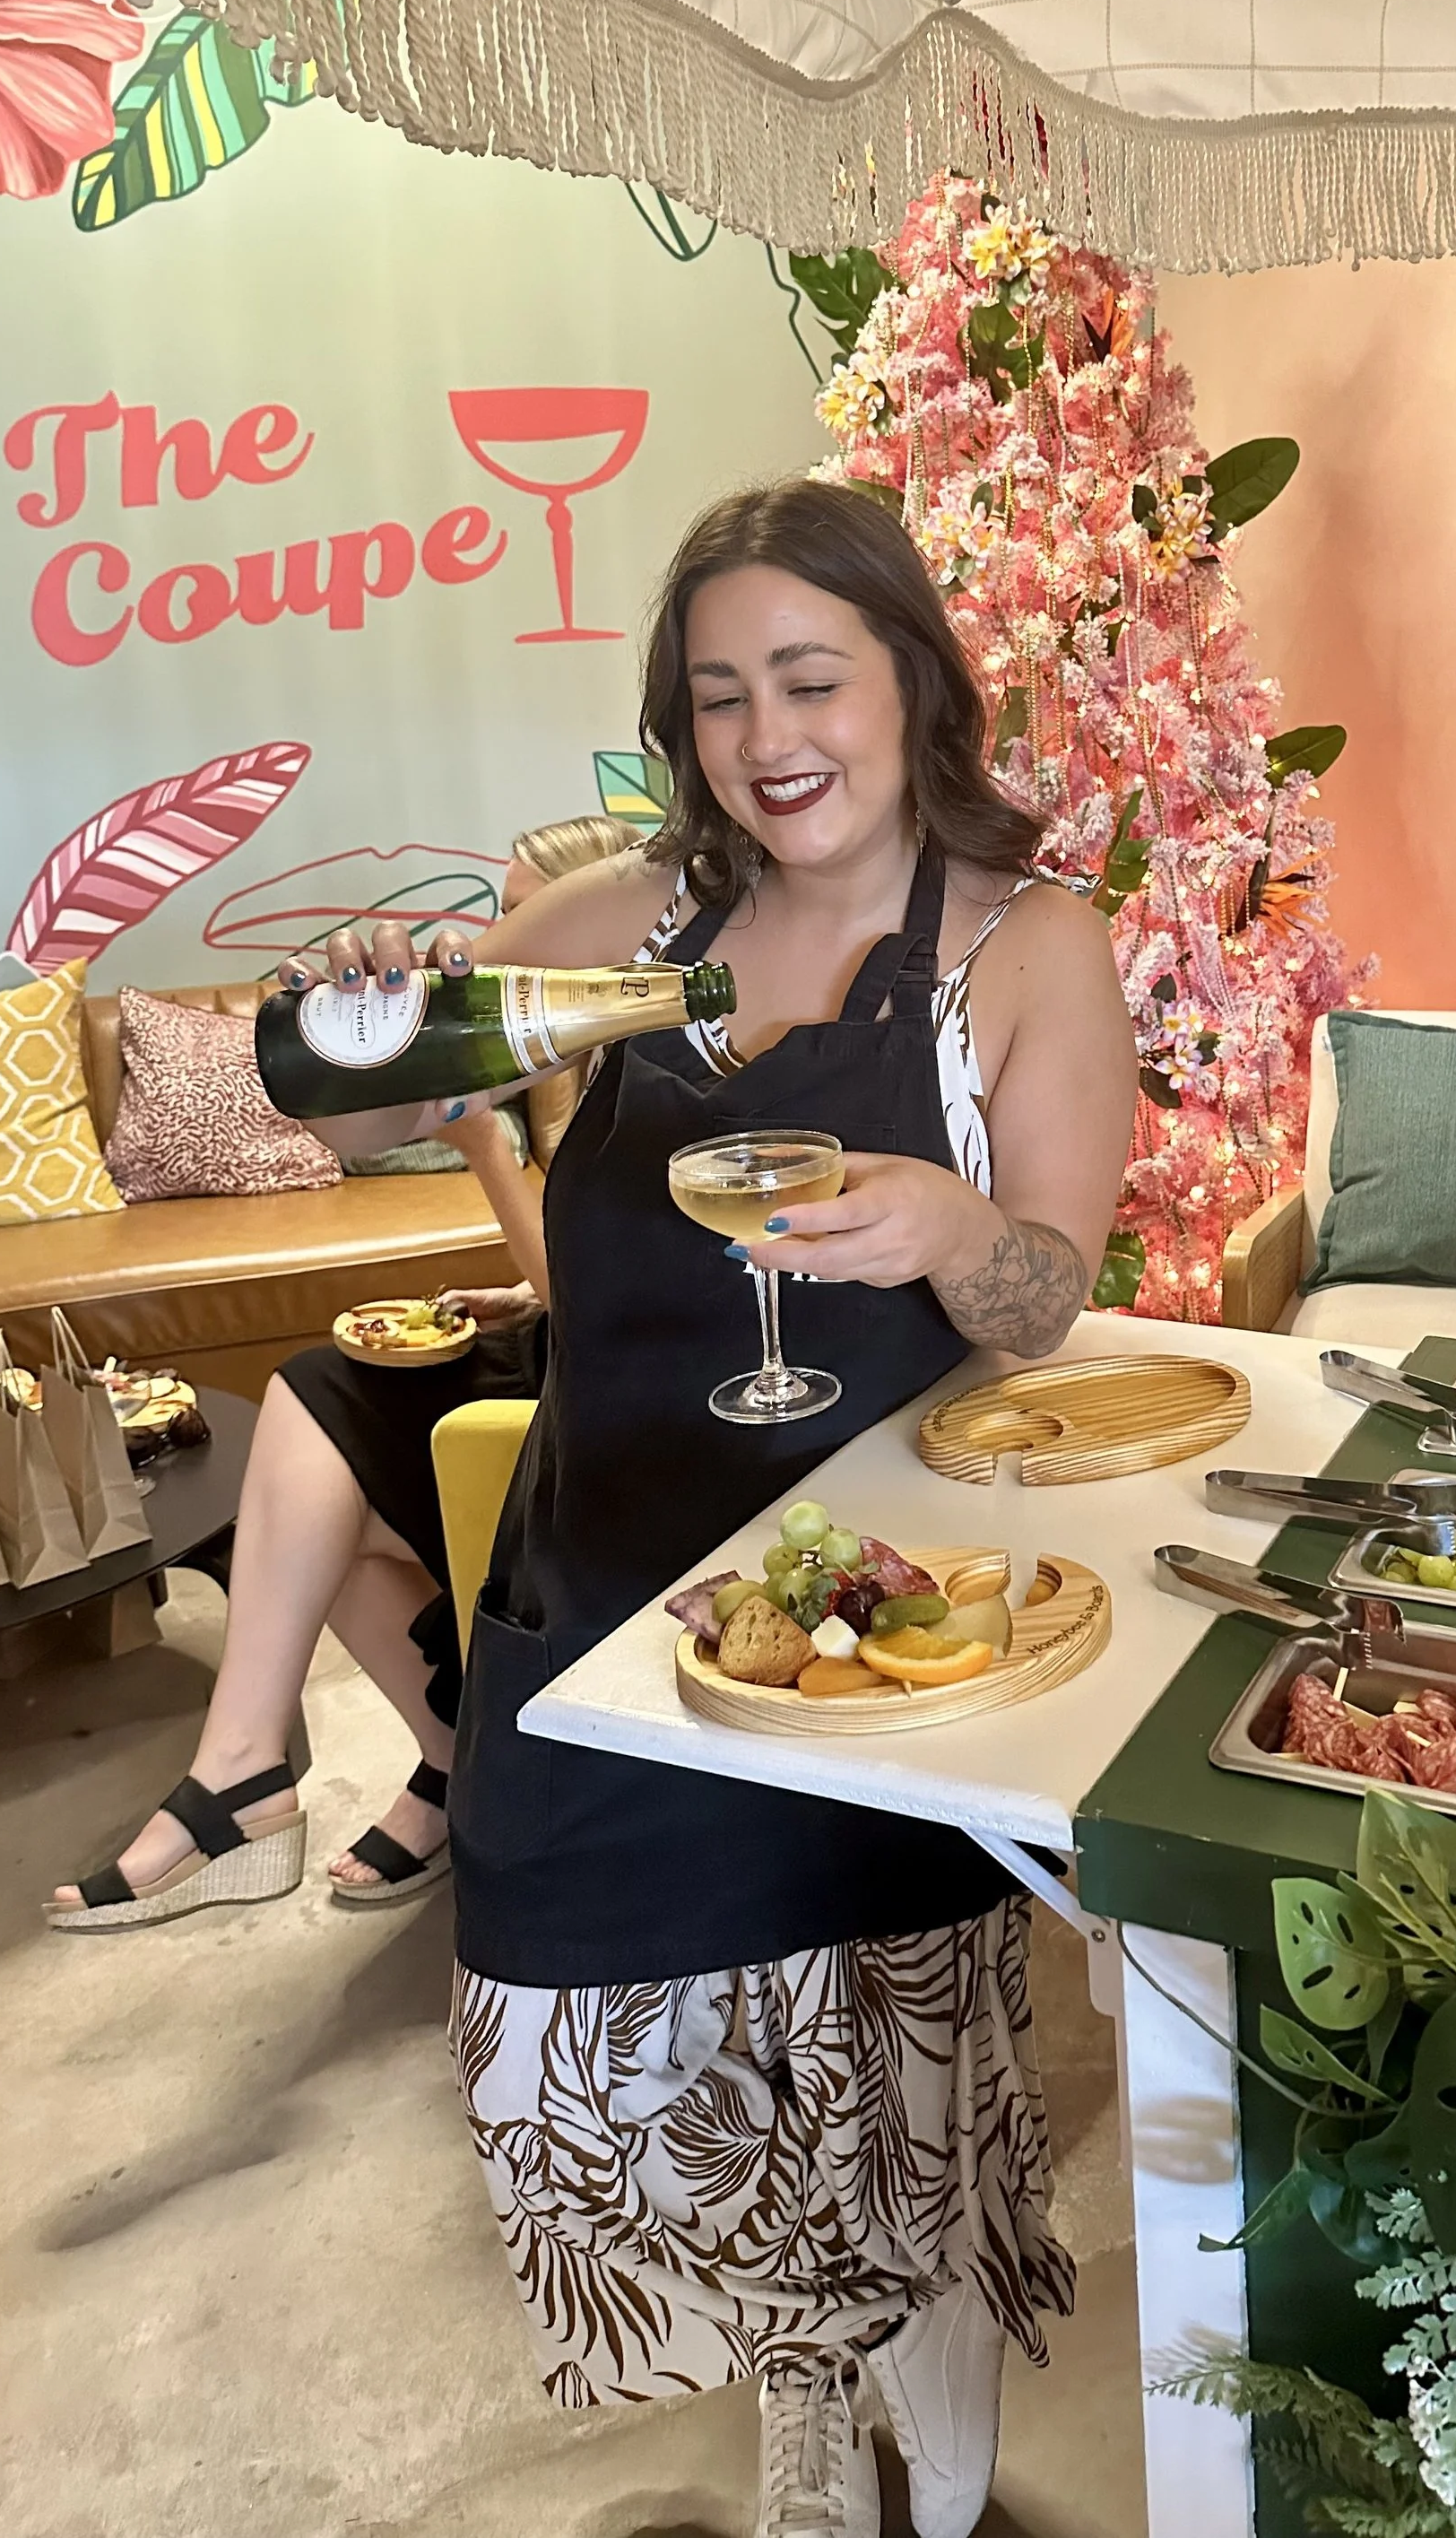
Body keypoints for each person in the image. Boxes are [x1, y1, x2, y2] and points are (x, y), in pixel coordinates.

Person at [282, 482, 1134, 2538]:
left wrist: (950, 1227)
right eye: (724, 690)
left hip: (871, 1647)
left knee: (892, 2136)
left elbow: (1045, 1313)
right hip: (602, 1616)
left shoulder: (1023, 952)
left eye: (813, 676)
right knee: (616, 2067)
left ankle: (905, 2499)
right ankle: (802, 2418)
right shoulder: (617, 936)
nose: (770, 732)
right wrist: (363, 1016)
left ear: (913, 684)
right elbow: (381, 1100)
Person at [45, 813, 635, 1925]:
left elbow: (605, 1293)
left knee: (329, 1437)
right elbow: (589, 1256)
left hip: (620, 1382)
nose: (506, 935)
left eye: (527, 911)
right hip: (578, 1333)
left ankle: (304, 1775)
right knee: (319, 1430)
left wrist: (487, 1159)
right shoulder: (552, 1040)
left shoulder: (648, 1032)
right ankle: (292, 1760)